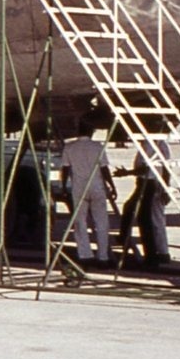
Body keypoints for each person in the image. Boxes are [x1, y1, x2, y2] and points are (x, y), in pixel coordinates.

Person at [61, 110, 114, 267]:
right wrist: (111, 185)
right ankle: (103, 256)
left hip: (79, 187)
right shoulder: (97, 147)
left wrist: (64, 186)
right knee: (101, 222)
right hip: (96, 186)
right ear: (91, 132)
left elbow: (65, 169)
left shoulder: (70, 147)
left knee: (80, 222)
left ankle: (85, 254)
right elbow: (104, 169)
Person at [118, 136, 171, 269]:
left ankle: (150, 255)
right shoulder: (160, 143)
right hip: (153, 182)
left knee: (142, 217)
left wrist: (127, 173)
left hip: (148, 183)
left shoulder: (149, 144)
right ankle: (161, 252)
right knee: (154, 218)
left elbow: (147, 169)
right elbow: (165, 168)